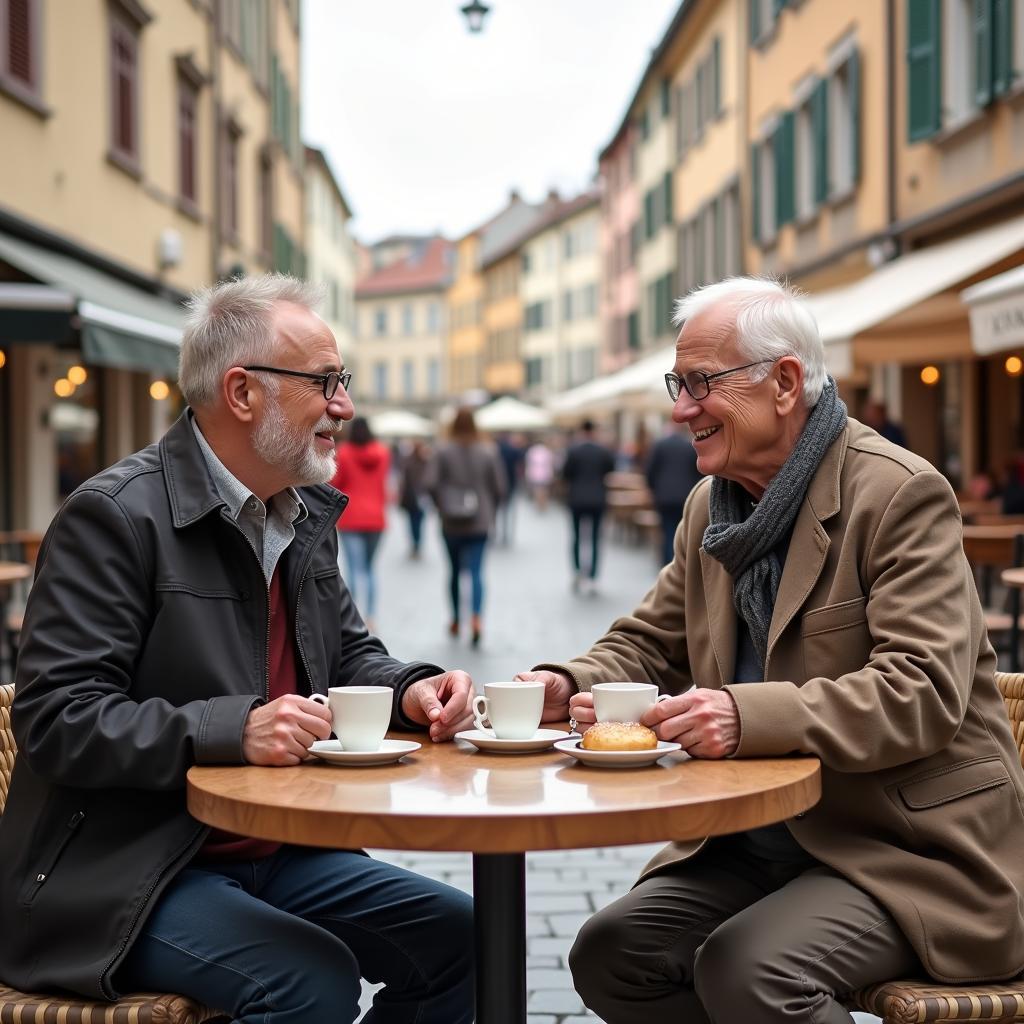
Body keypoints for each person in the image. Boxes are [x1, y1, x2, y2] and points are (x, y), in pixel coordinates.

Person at [515, 276, 1024, 1023]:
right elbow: (649, 641)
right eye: (676, 384)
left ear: (785, 383)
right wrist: (565, 681)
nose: (680, 408)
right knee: (610, 952)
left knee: (750, 969)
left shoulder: (898, 493)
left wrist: (742, 715)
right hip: (761, 843)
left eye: (700, 384)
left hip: (905, 848)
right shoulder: (712, 507)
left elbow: (922, 692)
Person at [0, 275, 475, 1023]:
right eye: (325, 381)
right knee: (309, 980)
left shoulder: (299, 511)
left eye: (341, 381)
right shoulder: (114, 518)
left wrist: (413, 688)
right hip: (129, 870)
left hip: (277, 847)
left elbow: (350, 657)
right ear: (243, 392)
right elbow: (58, 718)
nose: (343, 406)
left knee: (463, 938)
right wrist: (232, 728)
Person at [427, 407, 506, 647]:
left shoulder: (442, 450)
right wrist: (490, 508)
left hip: (451, 522)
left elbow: (429, 482)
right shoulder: (487, 451)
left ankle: (454, 619)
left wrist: (442, 505)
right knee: (476, 572)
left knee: (453, 572)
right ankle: (476, 618)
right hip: (480, 521)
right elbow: (500, 487)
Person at [330, 416, 390, 632]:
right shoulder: (383, 453)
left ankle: (353, 618)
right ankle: (371, 615)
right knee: (370, 568)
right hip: (376, 517)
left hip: (351, 517)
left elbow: (335, 482)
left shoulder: (344, 453)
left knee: (354, 569)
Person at [561, 419, 616, 594]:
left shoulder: (573, 450)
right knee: (595, 538)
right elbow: (610, 469)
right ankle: (593, 576)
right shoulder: (602, 451)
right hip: (598, 498)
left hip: (576, 498)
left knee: (577, 537)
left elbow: (565, 473)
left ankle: (578, 572)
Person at [645, 421, 703, 566]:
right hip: (686, 496)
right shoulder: (690, 446)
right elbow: (698, 471)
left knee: (666, 530)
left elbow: (650, 471)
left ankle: (668, 564)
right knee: (683, 531)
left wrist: (654, 489)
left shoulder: (660, 445)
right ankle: (680, 564)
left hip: (663, 496)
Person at [398, 438, 432, 558]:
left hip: (413, 498)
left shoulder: (415, 462)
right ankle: (416, 544)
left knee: (414, 523)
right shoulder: (425, 463)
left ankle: (416, 544)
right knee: (417, 522)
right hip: (417, 498)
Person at [495, 432, 525, 545]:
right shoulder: (514, 450)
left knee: (495, 510)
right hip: (510, 483)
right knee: (507, 510)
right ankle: (506, 534)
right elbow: (519, 466)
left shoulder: (493, 450)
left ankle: (495, 532)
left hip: (495, 486)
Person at [524, 437, 555, 511]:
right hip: (545, 474)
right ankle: (543, 503)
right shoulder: (547, 451)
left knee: (537, 490)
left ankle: (538, 504)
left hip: (534, 474)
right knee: (544, 490)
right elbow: (551, 463)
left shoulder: (531, 451)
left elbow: (528, 463)